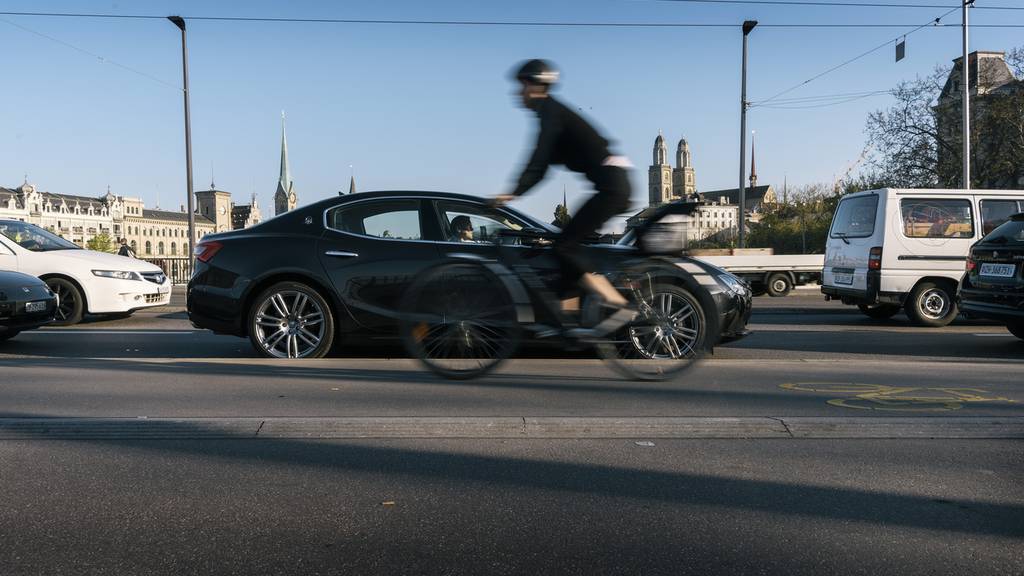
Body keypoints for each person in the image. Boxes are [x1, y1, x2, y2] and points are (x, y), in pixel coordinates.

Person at [492, 59, 631, 310]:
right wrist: (516, 191)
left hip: (612, 189)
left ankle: (618, 305)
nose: (517, 92)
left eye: (521, 86)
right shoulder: (552, 113)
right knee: (566, 253)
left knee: (565, 246)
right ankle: (571, 324)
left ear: (535, 86)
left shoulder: (550, 114)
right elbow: (542, 166)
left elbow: (538, 160)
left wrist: (510, 193)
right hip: (614, 185)